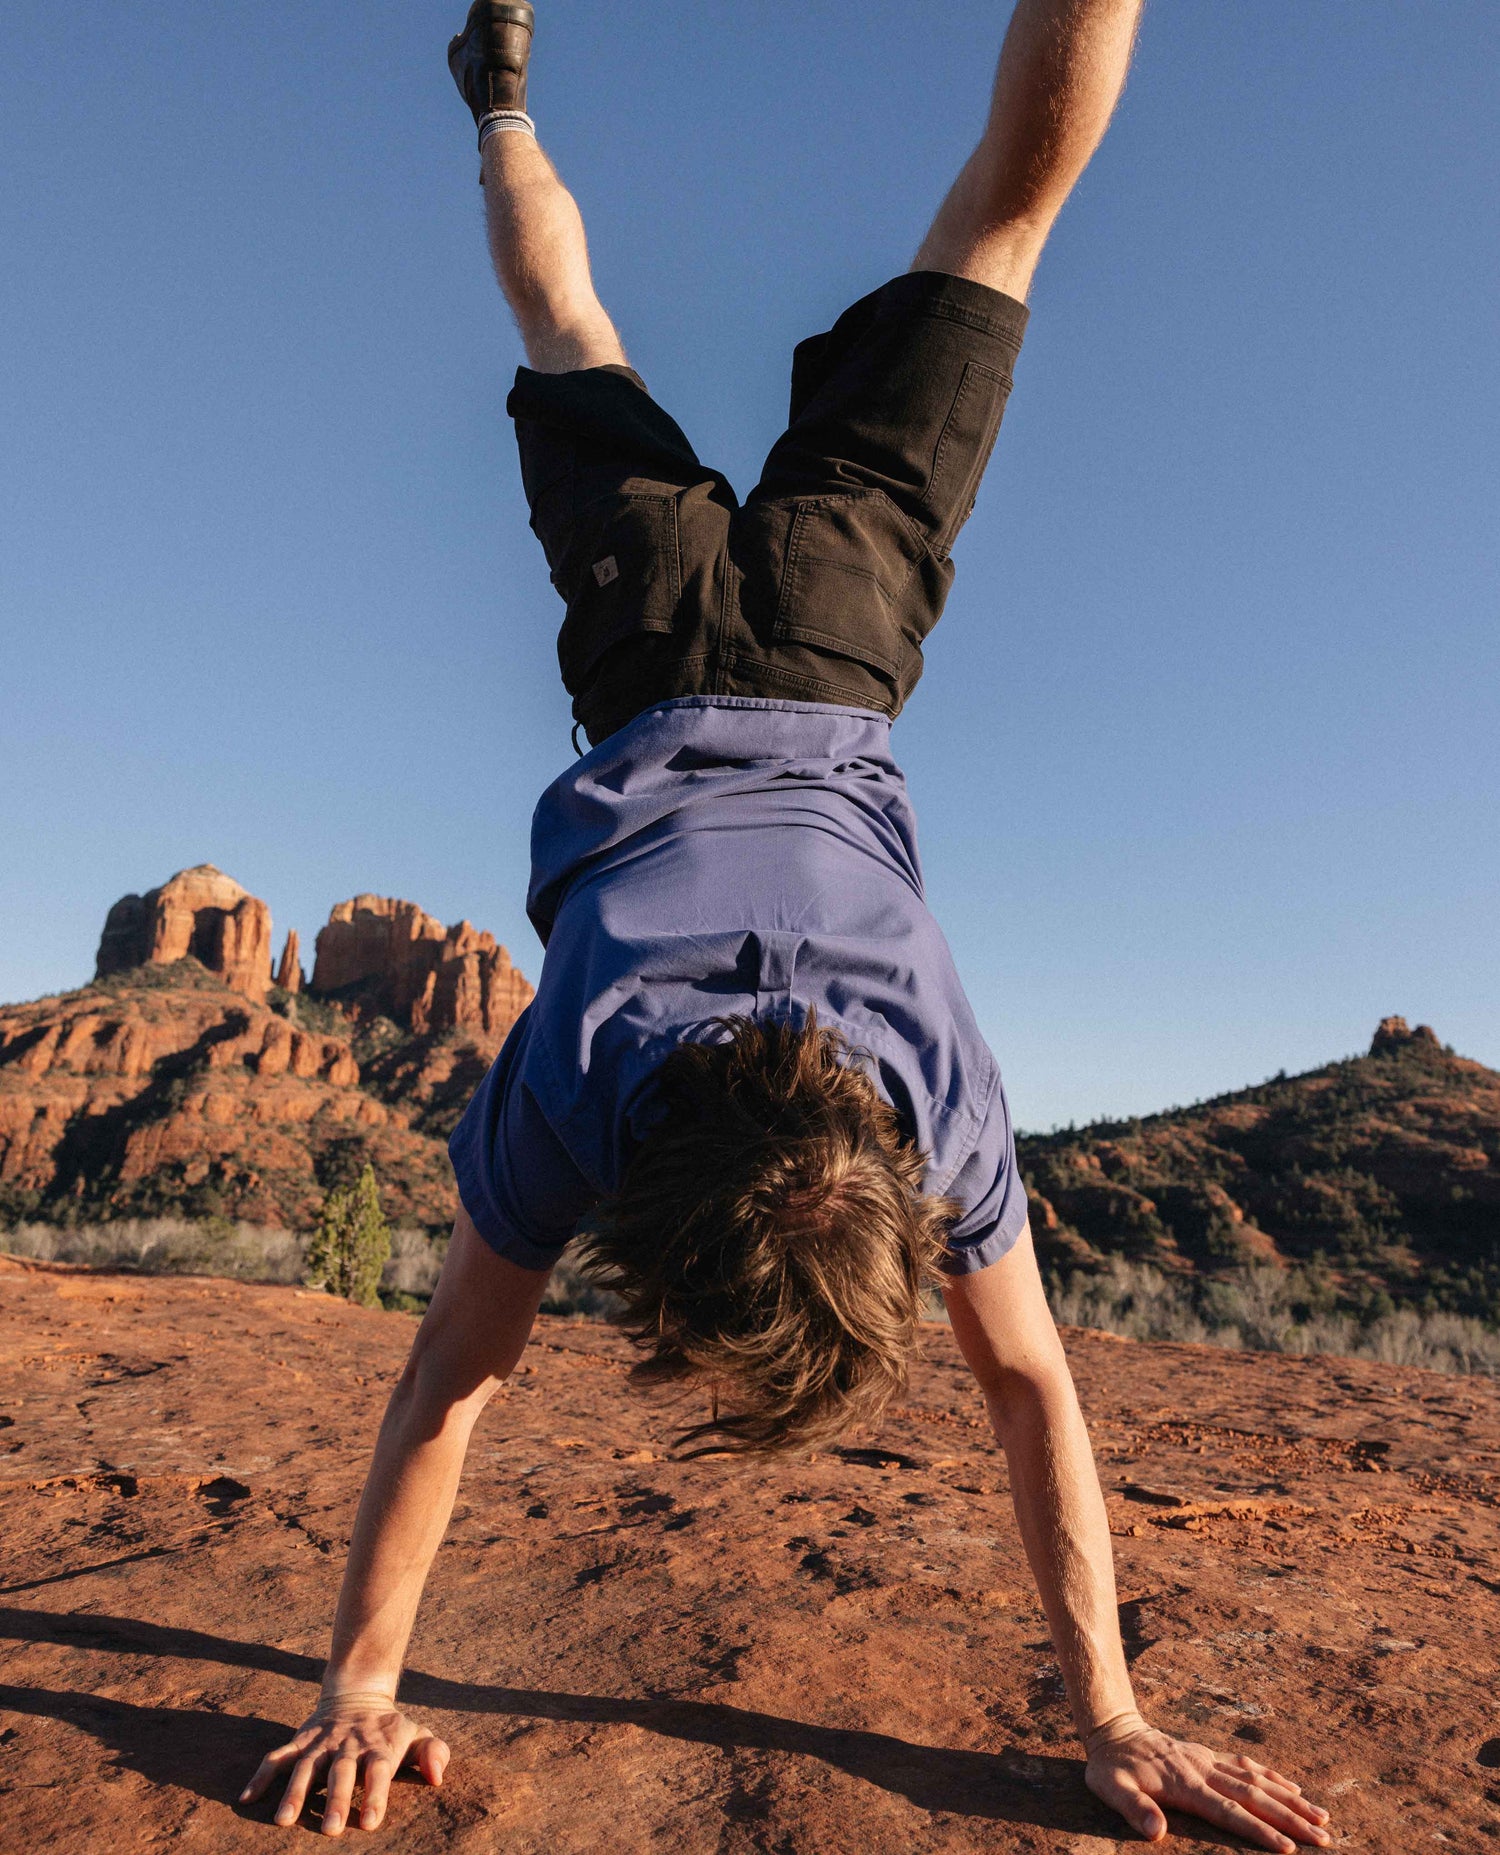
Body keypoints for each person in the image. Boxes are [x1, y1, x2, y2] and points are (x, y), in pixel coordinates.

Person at [241, 4, 1334, 1846]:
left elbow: (1021, 1392)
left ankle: (503, 100)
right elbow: (452, 1386)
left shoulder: (923, 1082)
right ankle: (498, 104)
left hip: (841, 642)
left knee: (1000, 226)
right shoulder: (584, 1067)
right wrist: (1111, 1713)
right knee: (571, 334)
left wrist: (1117, 1712)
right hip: (653, 649)